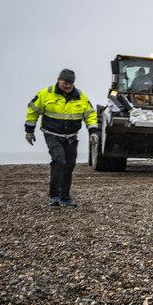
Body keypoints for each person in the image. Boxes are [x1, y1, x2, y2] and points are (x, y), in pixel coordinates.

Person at [25, 69, 99, 207]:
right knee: (59, 160)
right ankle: (55, 196)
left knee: (69, 165)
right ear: (59, 80)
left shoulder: (80, 96)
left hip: (71, 137)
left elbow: (90, 114)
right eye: (65, 83)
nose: (68, 86)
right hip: (52, 134)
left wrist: (93, 132)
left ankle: (65, 197)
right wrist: (29, 130)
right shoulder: (45, 94)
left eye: (71, 83)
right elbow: (32, 111)